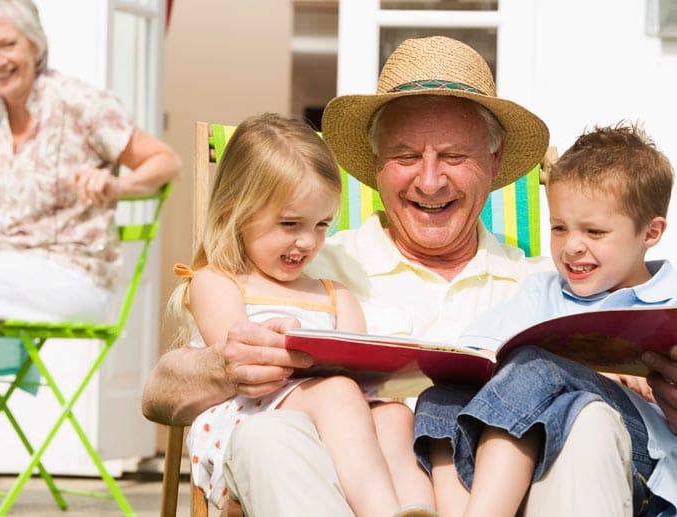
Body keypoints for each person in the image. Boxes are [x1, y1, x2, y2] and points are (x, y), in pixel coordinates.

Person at [141, 36, 671, 515]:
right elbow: (160, 394)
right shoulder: (304, 265)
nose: (430, 179)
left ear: (495, 160)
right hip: (337, 493)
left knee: (590, 420)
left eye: (454, 155)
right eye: (405, 155)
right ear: (374, 163)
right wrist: (222, 365)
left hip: (514, 496)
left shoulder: (550, 284)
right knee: (267, 435)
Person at [0, 0, 180, 515]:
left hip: (72, 277)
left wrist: (117, 184)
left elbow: (165, 161)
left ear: (34, 45)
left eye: (8, 44)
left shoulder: (78, 101)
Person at [170, 112, 434, 517]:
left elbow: (359, 375)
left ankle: (416, 509)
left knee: (395, 416)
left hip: (340, 426)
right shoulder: (218, 282)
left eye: (322, 224)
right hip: (253, 419)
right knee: (339, 392)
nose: (308, 241)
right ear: (235, 212)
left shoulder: (335, 295)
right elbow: (237, 361)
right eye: (290, 223)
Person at [414, 122, 677, 516]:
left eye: (594, 231)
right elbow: (477, 354)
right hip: (538, 448)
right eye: (559, 228)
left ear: (651, 232)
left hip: (644, 464)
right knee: (442, 395)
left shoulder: (670, 300)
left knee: (537, 367)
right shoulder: (543, 292)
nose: (572, 246)